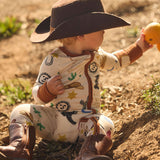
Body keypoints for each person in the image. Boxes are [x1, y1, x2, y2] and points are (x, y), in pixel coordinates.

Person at [0, 0, 152, 160]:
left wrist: (140, 46)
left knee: (104, 124)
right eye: (100, 28)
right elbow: (37, 94)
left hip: (85, 123)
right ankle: (19, 148)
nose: (104, 32)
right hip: (55, 121)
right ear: (81, 34)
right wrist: (48, 89)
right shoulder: (54, 60)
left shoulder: (96, 56)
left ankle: (88, 153)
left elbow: (117, 60)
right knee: (21, 111)